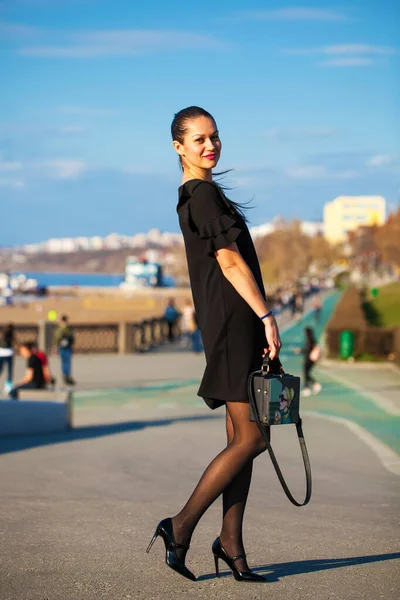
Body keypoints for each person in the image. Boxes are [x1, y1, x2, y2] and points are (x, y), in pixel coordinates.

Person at [146, 106, 281, 583]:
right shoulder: (200, 194)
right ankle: (179, 527)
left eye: (215, 137)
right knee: (253, 438)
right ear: (178, 146)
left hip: (231, 324)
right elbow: (228, 262)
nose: (210, 145)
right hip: (232, 326)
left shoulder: (204, 193)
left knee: (239, 438)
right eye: (199, 139)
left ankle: (231, 546)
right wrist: (266, 315)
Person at [296, 327, 322, 397]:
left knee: (306, 373)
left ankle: (309, 387)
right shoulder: (312, 340)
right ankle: (311, 386)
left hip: (308, 360)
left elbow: (307, 350)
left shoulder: (309, 340)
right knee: (307, 373)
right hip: (310, 360)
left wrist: (301, 351)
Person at [54, 315, 75, 385]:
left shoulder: (66, 329)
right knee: (65, 362)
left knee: (67, 362)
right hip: (63, 347)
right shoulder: (62, 329)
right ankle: (66, 376)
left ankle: (67, 376)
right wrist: (56, 347)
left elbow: (72, 338)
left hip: (67, 347)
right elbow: (57, 339)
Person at [0, 323, 15, 393]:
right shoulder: (11, 335)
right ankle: (8, 386)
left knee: (1, 369)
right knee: (9, 370)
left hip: (2, 352)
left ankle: (8, 386)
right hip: (8, 352)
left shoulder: (3, 334)